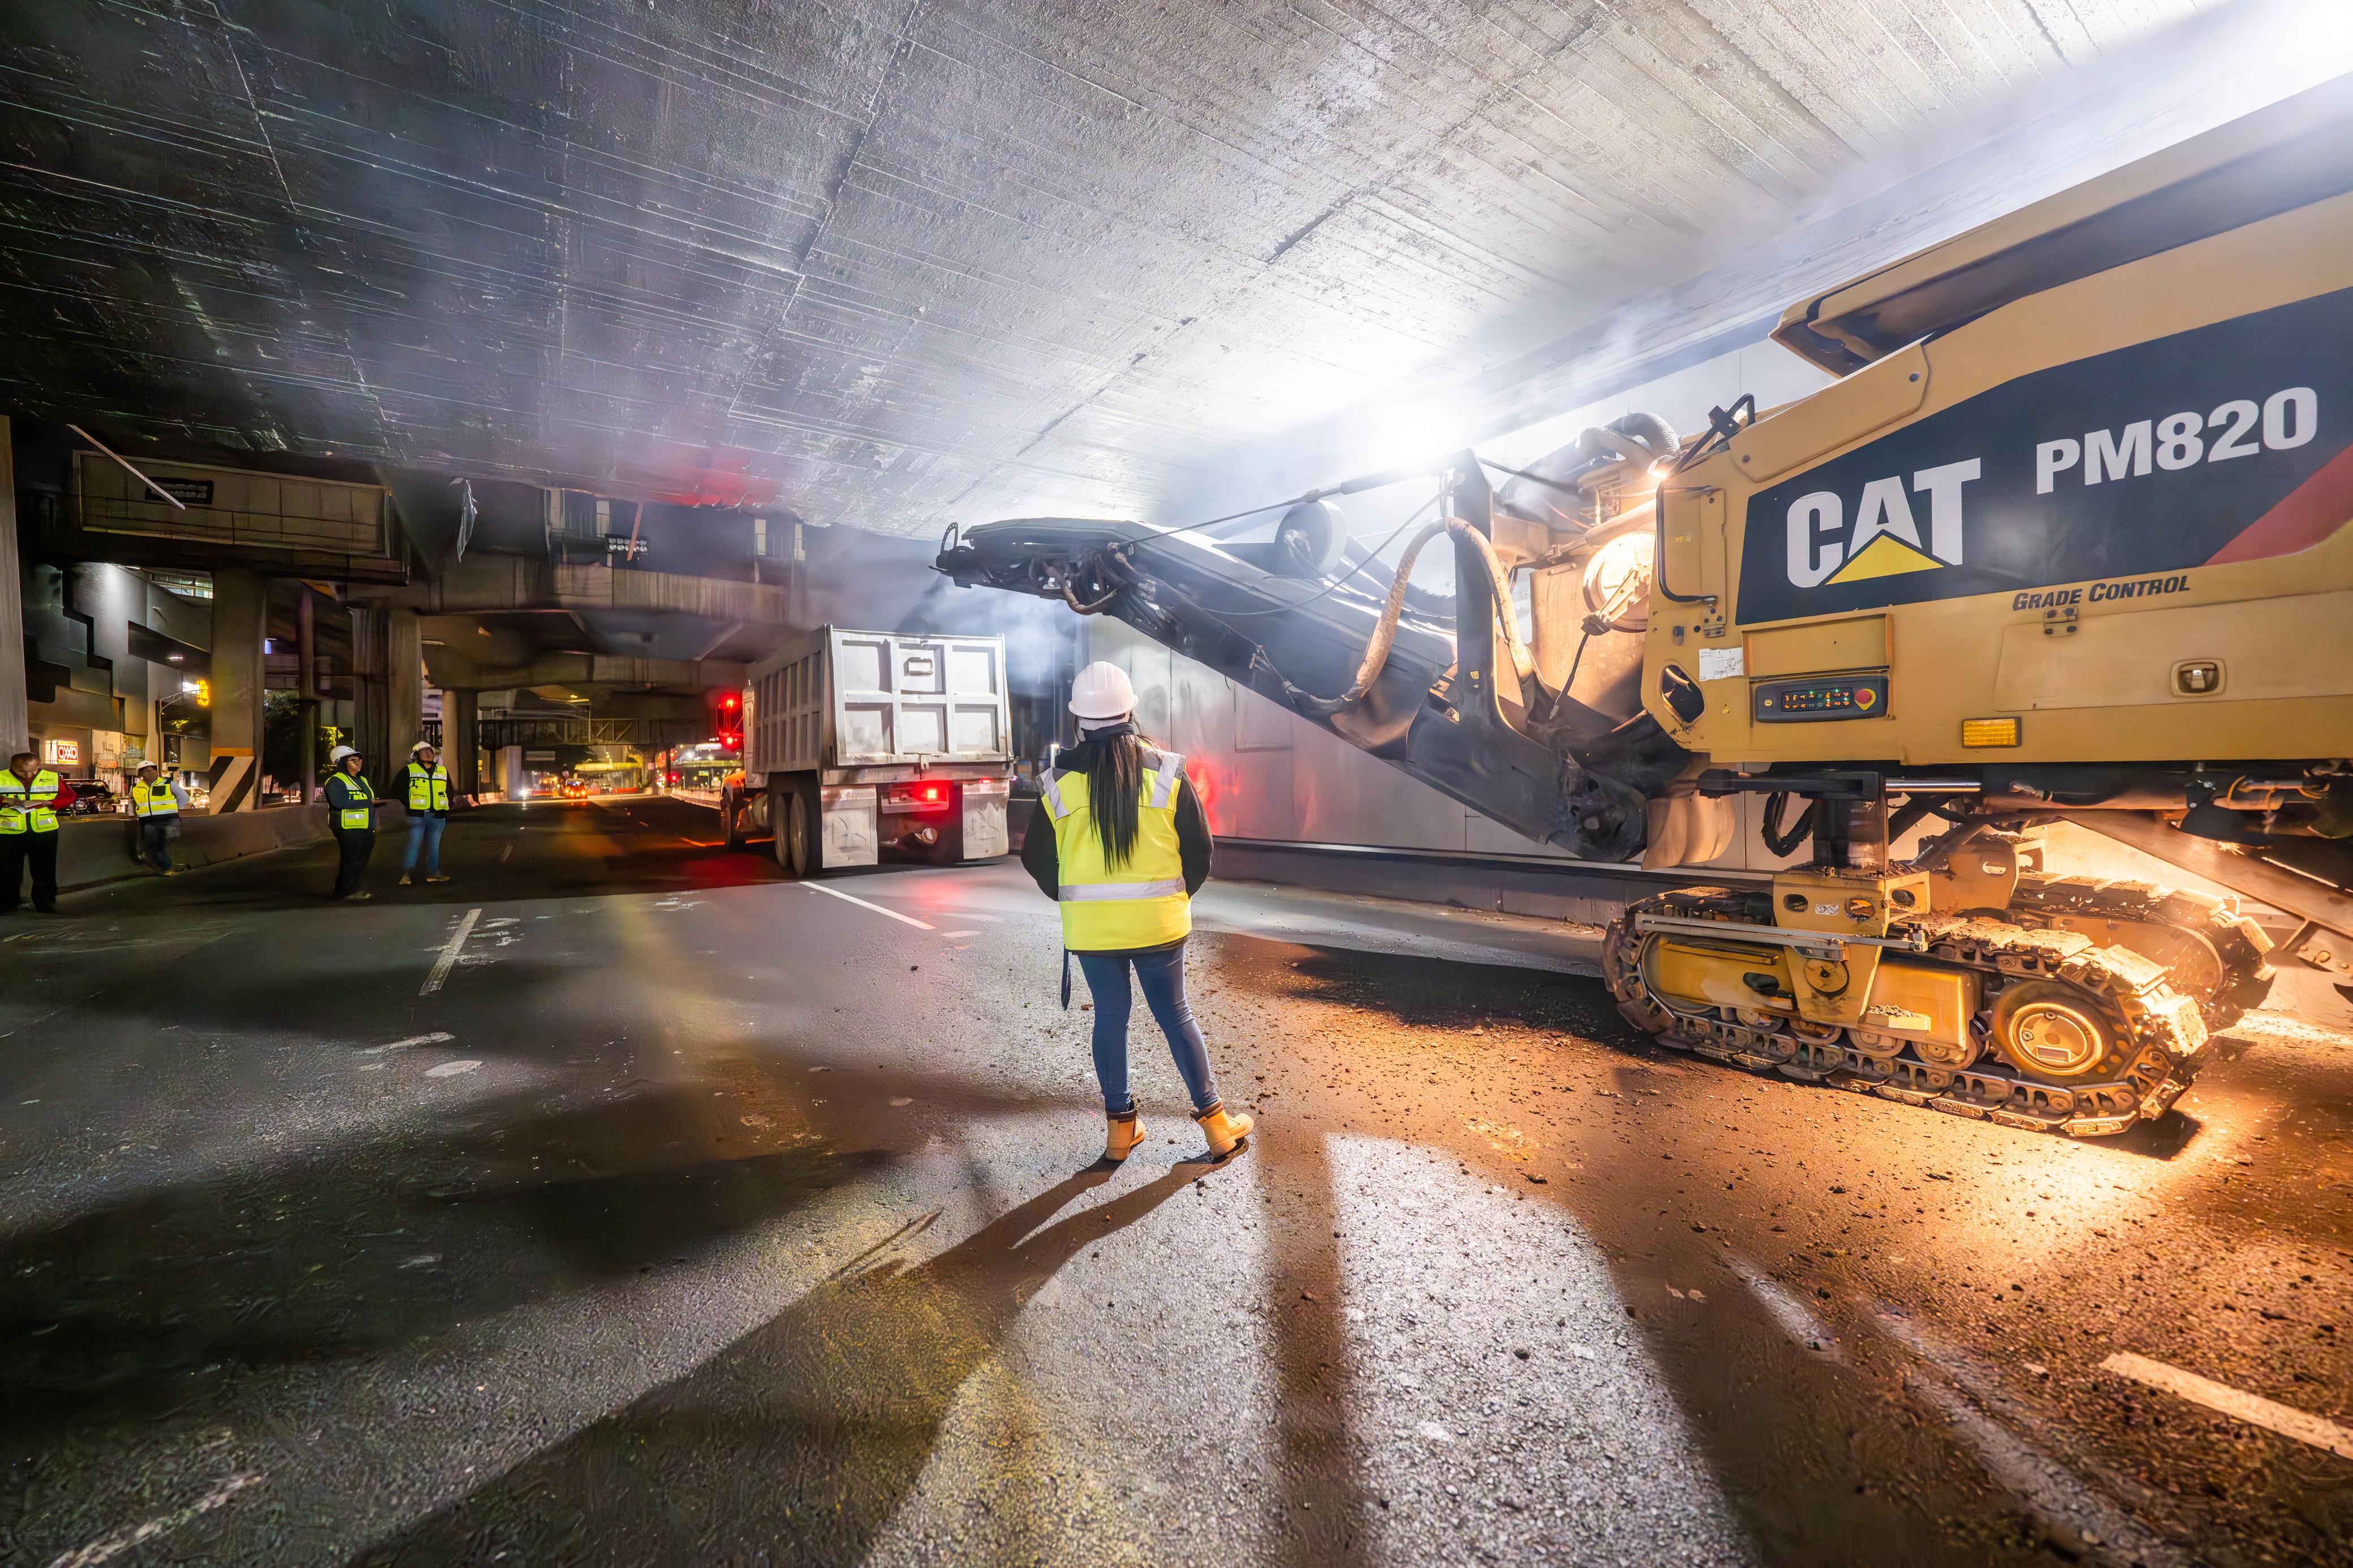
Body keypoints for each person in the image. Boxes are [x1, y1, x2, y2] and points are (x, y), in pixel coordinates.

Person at [1021, 661, 1253, 1163]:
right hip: (1160, 926)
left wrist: (1076, 901)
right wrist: (1171, 898)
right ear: (1130, 709)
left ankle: (1120, 1132)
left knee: (1110, 1017)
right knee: (1175, 1014)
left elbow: (1035, 859)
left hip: (1093, 930)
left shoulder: (1057, 782)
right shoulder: (1167, 769)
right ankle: (1216, 1126)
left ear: (1079, 718)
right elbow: (1200, 851)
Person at [0, 751, 72, 914]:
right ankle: (8, 903)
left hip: (44, 831)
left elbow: (69, 797)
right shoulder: (1, 777)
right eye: (23, 771)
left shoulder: (53, 778)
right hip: (8, 831)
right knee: (7, 871)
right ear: (13, 767)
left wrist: (49, 802)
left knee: (45, 870)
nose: (29, 775)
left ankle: (46, 903)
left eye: (34, 770)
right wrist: (3, 800)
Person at [322, 745, 378, 900]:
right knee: (352, 859)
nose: (358, 763)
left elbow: (368, 800)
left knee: (358, 859)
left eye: (359, 760)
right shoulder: (335, 781)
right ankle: (349, 892)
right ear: (341, 763)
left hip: (365, 826)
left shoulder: (362, 780)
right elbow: (340, 802)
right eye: (353, 760)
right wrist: (369, 803)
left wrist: (372, 803)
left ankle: (343, 889)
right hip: (347, 827)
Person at [400, 740, 454, 885]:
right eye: (424, 751)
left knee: (434, 845)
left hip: (437, 815)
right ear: (417, 755)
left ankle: (433, 873)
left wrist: (448, 808)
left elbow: (449, 791)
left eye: (430, 751)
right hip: (417, 816)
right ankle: (407, 875)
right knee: (414, 844)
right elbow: (398, 789)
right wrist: (409, 805)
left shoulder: (442, 771)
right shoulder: (409, 770)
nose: (429, 753)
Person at [128, 761, 189, 874]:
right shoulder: (135, 788)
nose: (151, 772)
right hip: (148, 822)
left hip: (169, 820)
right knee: (155, 847)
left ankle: (170, 867)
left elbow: (185, 798)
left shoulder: (168, 783)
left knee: (167, 843)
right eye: (147, 771)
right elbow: (132, 804)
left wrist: (175, 809)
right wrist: (132, 816)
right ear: (140, 774)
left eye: (153, 770)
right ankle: (166, 868)